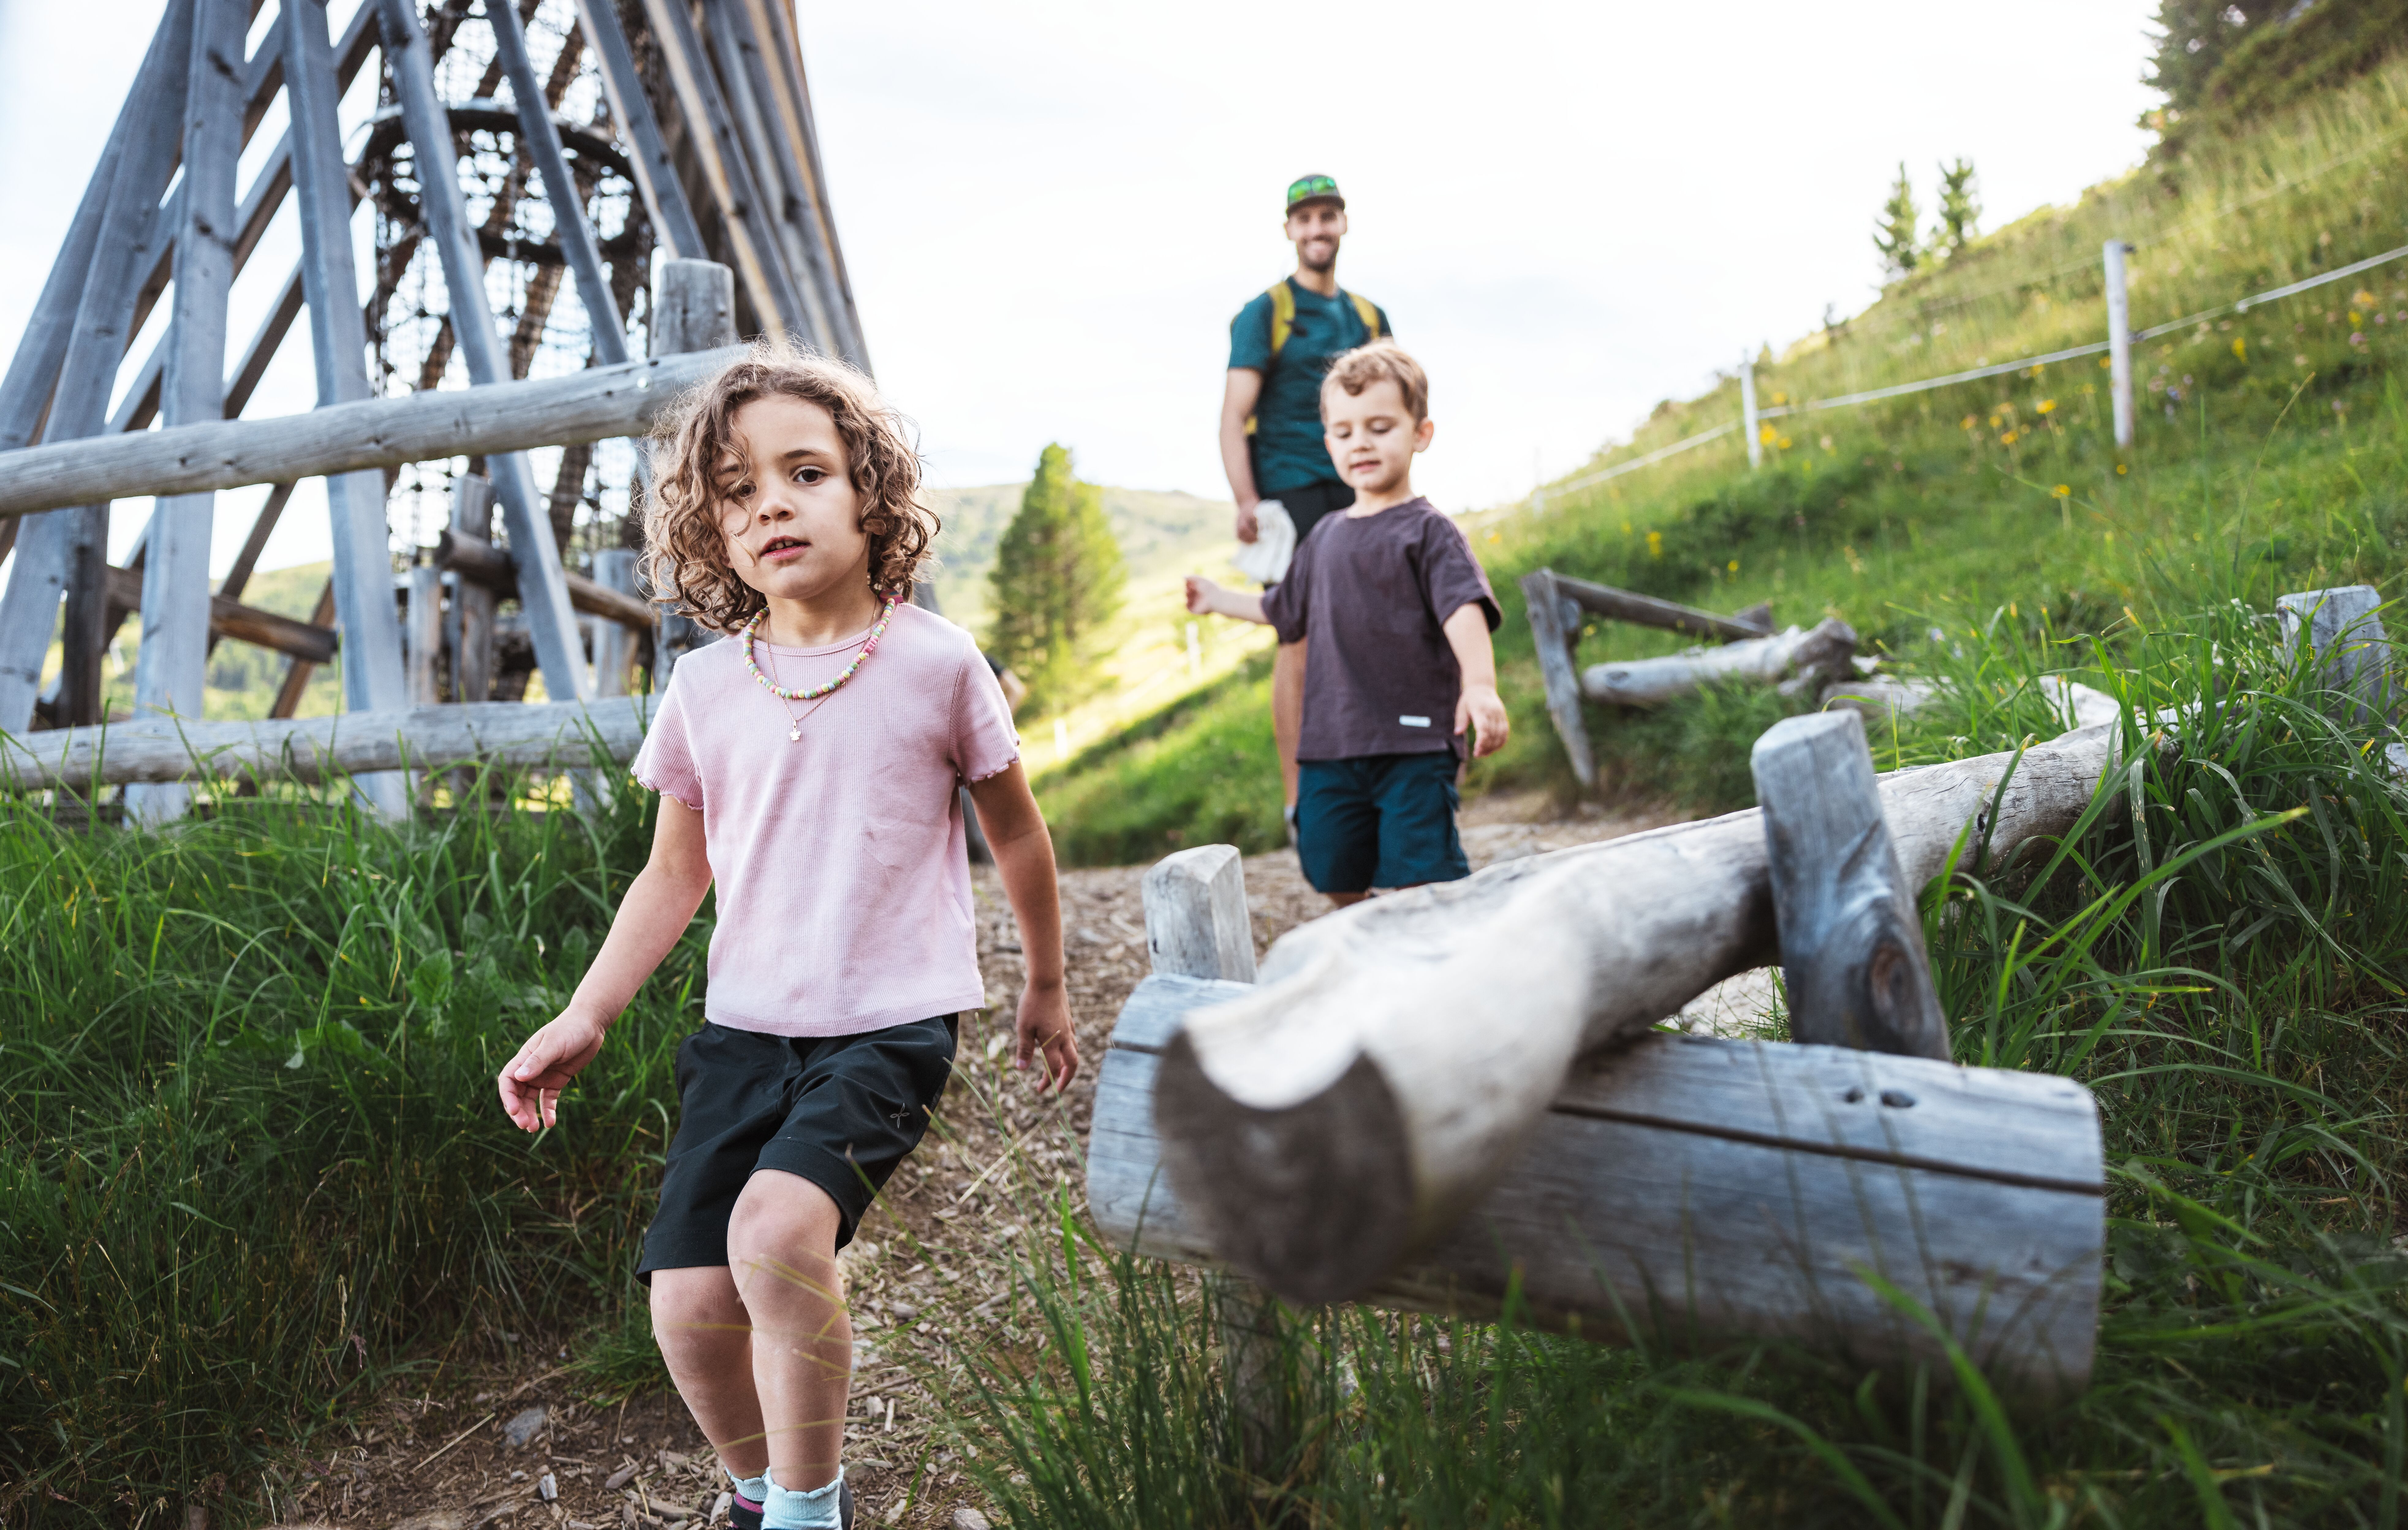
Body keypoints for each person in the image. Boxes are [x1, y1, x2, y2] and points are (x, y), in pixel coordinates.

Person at [494, 347, 1079, 1530]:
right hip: (744, 1030)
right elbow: (674, 871)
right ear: (712, 530)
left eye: (804, 471)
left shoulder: (936, 662)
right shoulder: (707, 689)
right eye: (735, 487)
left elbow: (1016, 833)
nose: (769, 500)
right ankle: (759, 1491)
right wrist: (587, 1012)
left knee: (773, 1234)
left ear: (871, 494)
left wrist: (1047, 985)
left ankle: (812, 1515)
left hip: (885, 1025)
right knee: (688, 1301)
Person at [1188, 341, 1506, 905]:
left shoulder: (1428, 532)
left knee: (1421, 870)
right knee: (1331, 866)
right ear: (1329, 440)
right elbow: (1282, 609)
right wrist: (1219, 599)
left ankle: (1436, 955)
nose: (1360, 441)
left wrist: (1480, 685)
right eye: (1344, 430)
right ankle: (1370, 933)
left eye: (1380, 427)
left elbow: (1464, 606)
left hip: (1414, 740)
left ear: (1421, 434)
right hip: (1331, 740)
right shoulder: (1326, 536)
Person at [1220, 173, 1394, 823]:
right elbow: (1233, 416)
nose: (1317, 229)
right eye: (1305, 219)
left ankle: (1375, 776)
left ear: (1343, 223)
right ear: (1290, 230)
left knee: (1371, 632)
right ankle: (1300, 802)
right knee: (1297, 636)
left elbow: (1392, 409)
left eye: (1328, 217)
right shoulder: (1266, 313)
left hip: (1361, 488)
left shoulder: (1370, 318)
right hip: (1290, 487)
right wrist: (1246, 501)